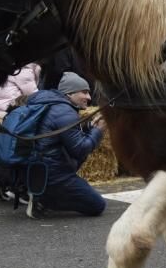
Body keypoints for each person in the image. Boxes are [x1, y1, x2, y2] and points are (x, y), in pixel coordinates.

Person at [24, 72, 107, 217]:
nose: (88, 97)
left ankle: (40, 192)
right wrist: (99, 131)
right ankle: (43, 199)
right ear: (69, 94)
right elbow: (80, 149)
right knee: (97, 205)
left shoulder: (51, 105)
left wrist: (89, 127)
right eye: (84, 92)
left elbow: (61, 134)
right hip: (53, 172)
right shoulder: (65, 111)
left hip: (36, 168)